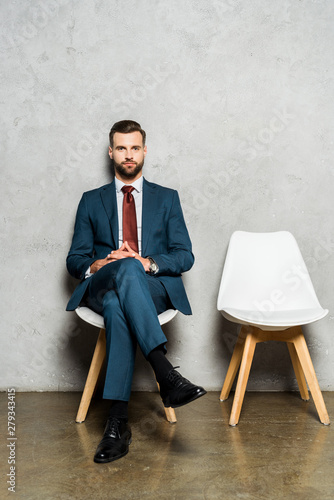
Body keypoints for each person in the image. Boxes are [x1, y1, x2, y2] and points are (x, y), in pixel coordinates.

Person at [66, 119, 206, 463]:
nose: (128, 155)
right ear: (111, 152)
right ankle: (165, 372)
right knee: (119, 275)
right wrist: (98, 265)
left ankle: (117, 424)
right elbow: (74, 259)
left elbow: (184, 255)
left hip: (149, 285)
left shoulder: (167, 199)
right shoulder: (90, 201)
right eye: (121, 148)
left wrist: (146, 263)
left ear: (144, 151)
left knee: (118, 302)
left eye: (135, 147)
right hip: (102, 281)